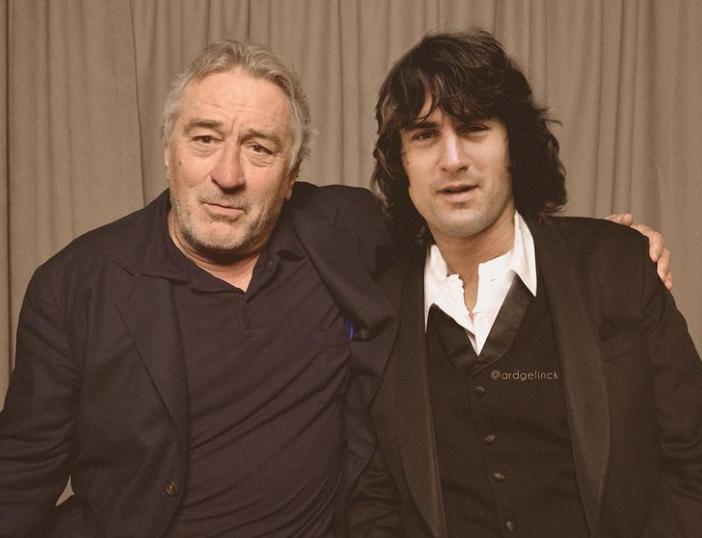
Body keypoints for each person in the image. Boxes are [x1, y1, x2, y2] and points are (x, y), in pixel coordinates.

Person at [0, 37, 670, 538]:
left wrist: (597, 250)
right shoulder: (76, 288)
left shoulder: (343, 230)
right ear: (168, 150)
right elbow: (20, 477)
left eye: (260, 148)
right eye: (204, 139)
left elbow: (464, 208)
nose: (227, 173)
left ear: (292, 174)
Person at [346, 30, 702, 537]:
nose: (452, 159)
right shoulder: (379, 308)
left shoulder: (616, 264)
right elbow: (373, 498)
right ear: (401, 162)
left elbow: (692, 461)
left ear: (512, 145)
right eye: (424, 135)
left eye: (473, 128)